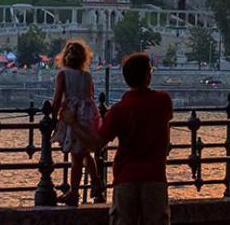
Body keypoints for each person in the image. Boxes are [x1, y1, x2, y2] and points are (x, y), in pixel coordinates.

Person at [95, 51, 174, 225]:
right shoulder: (163, 101)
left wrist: (73, 124)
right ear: (147, 76)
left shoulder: (119, 110)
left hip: (126, 178)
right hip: (155, 177)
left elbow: (97, 143)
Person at [50, 39, 100, 206]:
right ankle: (96, 182)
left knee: (76, 158)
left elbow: (57, 98)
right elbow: (90, 95)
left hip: (72, 117)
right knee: (85, 152)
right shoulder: (87, 76)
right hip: (87, 115)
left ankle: (74, 192)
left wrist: (53, 116)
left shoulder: (62, 75)